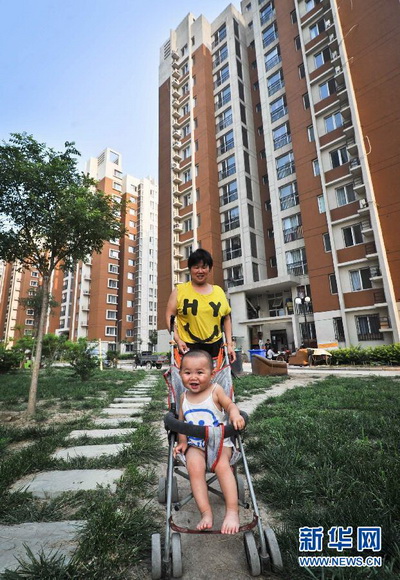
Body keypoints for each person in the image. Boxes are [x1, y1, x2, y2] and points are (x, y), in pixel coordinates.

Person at [173, 350, 245, 533]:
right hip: (195, 445)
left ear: (212, 375)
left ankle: (232, 511)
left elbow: (229, 405)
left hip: (219, 442)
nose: (193, 377)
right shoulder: (183, 398)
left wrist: (235, 414)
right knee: (194, 469)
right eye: (187, 372)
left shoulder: (216, 390)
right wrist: (182, 441)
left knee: (222, 466)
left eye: (200, 372)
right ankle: (206, 513)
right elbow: (181, 423)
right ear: (180, 374)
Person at [165, 249, 236, 362]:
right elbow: (170, 317)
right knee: (190, 379)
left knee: (216, 379)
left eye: (204, 267)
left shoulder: (219, 291)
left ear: (210, 269)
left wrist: (229, 344)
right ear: (190, 269)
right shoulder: (179, 291)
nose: (200, 271)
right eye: (196, 267)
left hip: (216, 348)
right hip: (187, 347)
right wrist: (178, 340)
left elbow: (226, 318)